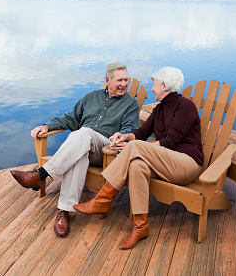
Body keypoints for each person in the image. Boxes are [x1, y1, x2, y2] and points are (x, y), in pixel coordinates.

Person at [73, 67, 204, 249]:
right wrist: (124, 137)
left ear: (164, 85)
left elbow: (170, 142)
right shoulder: (159, 109)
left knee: (135, 149)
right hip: (165, 162)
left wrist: (134, 146)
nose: (152, 89)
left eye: (155, 84)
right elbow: (142, 133)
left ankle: (102, 200)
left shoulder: (185, 107)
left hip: (186, 164)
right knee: (136, 166)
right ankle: (140, 227)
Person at [10, 62, 140, 238]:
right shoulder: (91, 97)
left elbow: (130, 129)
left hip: (105, 150)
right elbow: (71, 118)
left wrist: (121, 135)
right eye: (120, 80)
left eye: (126, 80)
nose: (124, 84)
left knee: (83, 133)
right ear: (107, 80)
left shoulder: (130, 103)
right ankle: (64, 210)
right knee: (79, 153)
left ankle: (40, 175)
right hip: (82, 146)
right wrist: (47, 126)